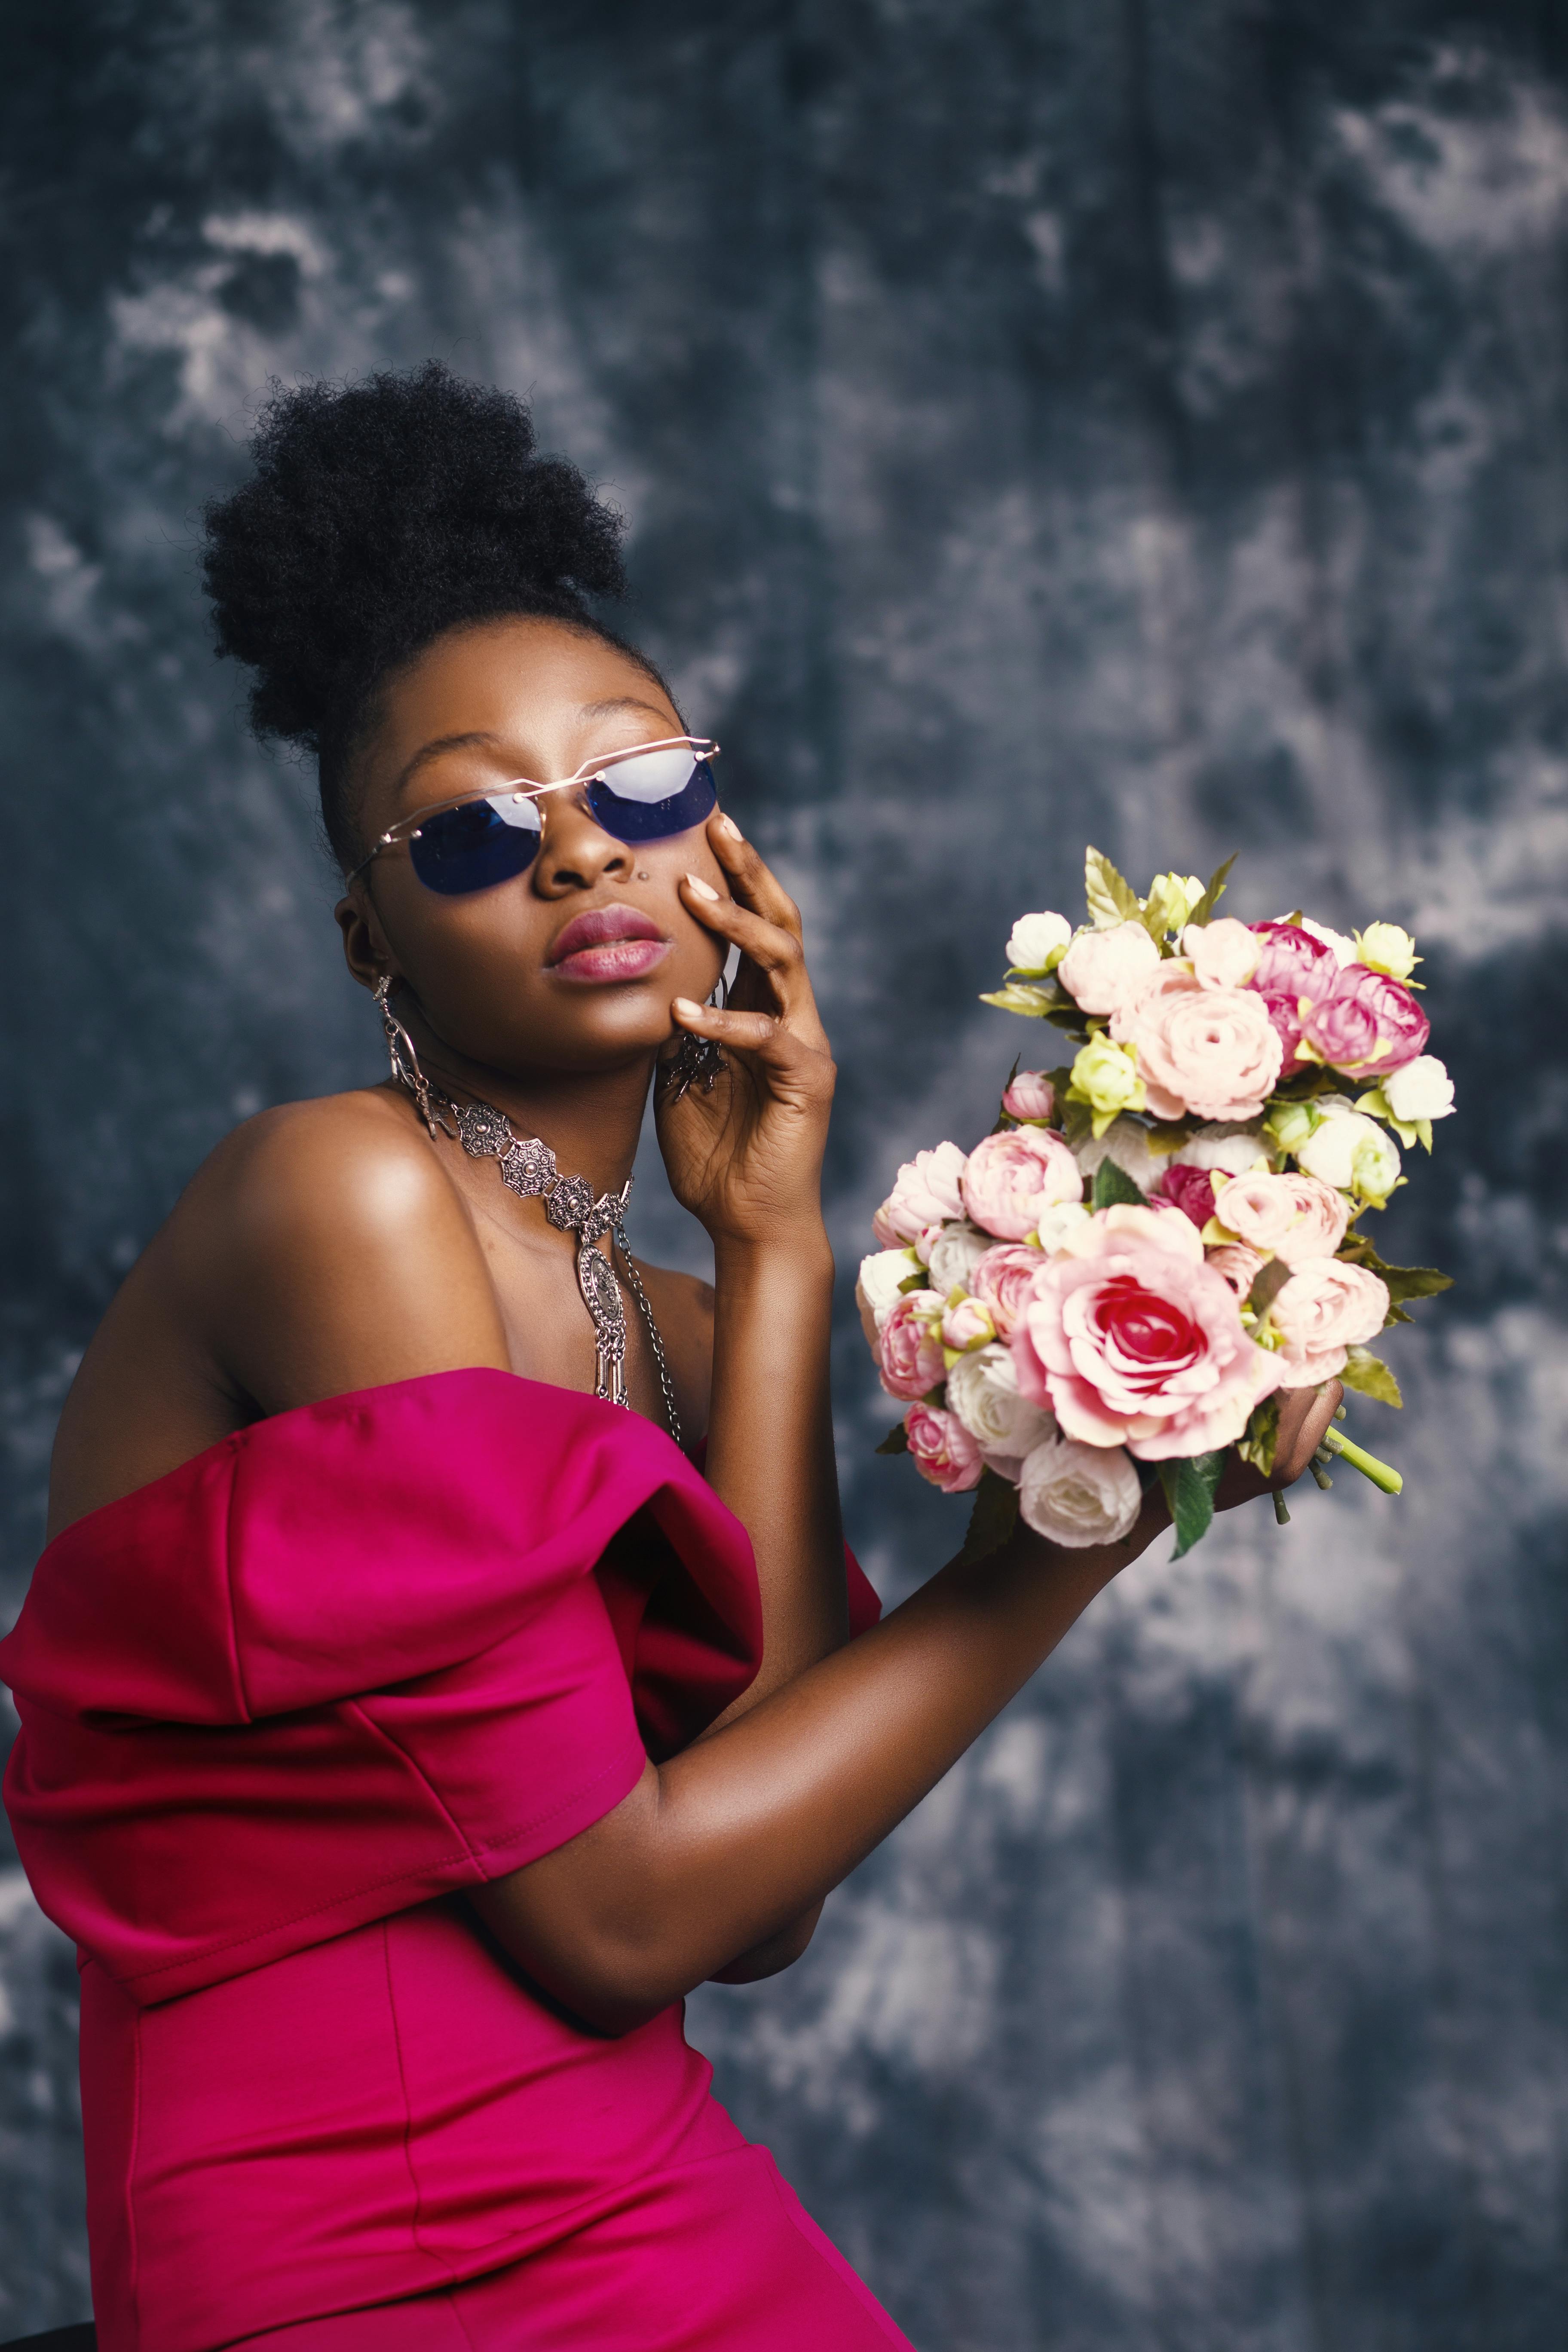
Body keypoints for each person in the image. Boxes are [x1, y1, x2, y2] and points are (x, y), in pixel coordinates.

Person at [0, 364, 1336, 2352]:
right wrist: (1066, 1538)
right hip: (343, 2232)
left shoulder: (682, 1315)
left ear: (718, 839)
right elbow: (618, 1921)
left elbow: (761, 1904)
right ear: (372, 942)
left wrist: (774, 1248)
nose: (579, 856)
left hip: (625, 2170)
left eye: (640, 785)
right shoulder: (341, 1205)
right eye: (469, 831)